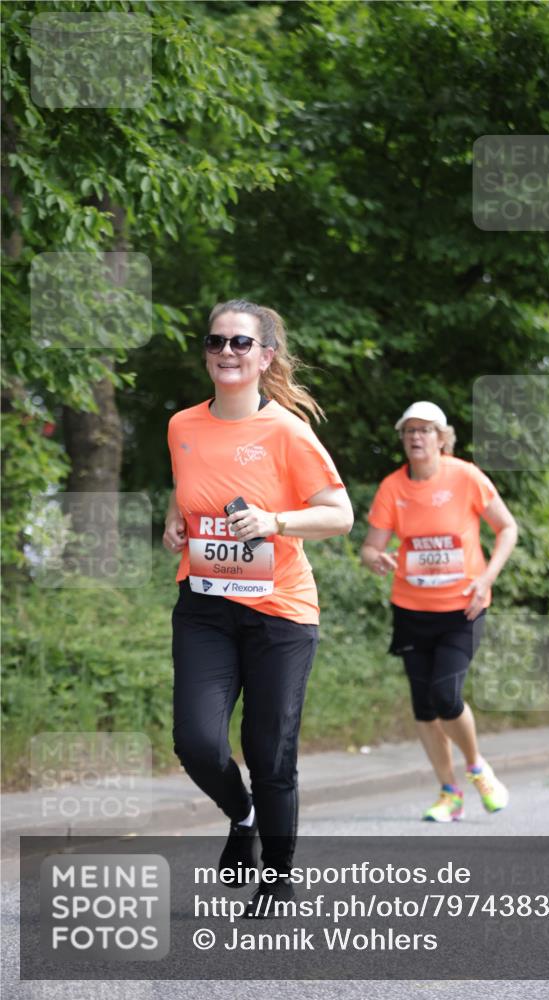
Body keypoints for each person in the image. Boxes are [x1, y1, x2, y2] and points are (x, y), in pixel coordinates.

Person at [163, 299, 353, 914]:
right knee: (196, 742)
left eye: (240, 343)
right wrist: (174, 522)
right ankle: (240, 816)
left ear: (265, 355)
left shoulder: (288, 432)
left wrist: (274, 520)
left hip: (281, 613)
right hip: (205, 605)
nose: (226, 352)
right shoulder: (182, 426)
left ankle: (278, 876)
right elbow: (189, 489)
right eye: (216, 341)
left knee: (270, 754)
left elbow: (340, 515)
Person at [361, 401, 517, 822]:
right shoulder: (393, 487)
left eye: (426, 430)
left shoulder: (465, 476)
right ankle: (450, 793)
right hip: (412, 609)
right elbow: (371, 546)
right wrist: (375, 557)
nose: (416, 437)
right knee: (424, 708)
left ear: (442, 438)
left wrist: (486, 579)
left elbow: (507, 528)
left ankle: (477, 767)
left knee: (445, 696)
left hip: (463, 609)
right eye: (409, 430)